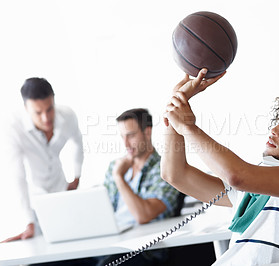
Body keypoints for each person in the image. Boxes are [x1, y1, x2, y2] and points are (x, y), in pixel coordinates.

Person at [161, 69, 279, 265]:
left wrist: (188, 128)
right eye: (278, 122)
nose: (274, 130)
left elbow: (237, 176)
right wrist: (176, 103)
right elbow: (174, 175)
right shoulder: (253, 190)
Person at [1, 77, 84, 243]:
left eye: (50, 109)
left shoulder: (67, 116)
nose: (46, 118)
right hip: (35, 198)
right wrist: (28, 221)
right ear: (26, 108)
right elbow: (17, 176)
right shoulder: (12, 127)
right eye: (38, 113)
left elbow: (78, 144)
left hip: (62, 191)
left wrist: (77, 176)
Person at [97, 108, 183, 266]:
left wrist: (119, 178)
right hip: (111, 242)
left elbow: (143, 215)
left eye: (130, 135)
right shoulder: (114, 166)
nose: (125, 143)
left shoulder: (166, 168)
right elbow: (100, 212)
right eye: (122, 137)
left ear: (147, 132)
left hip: (144, 251)